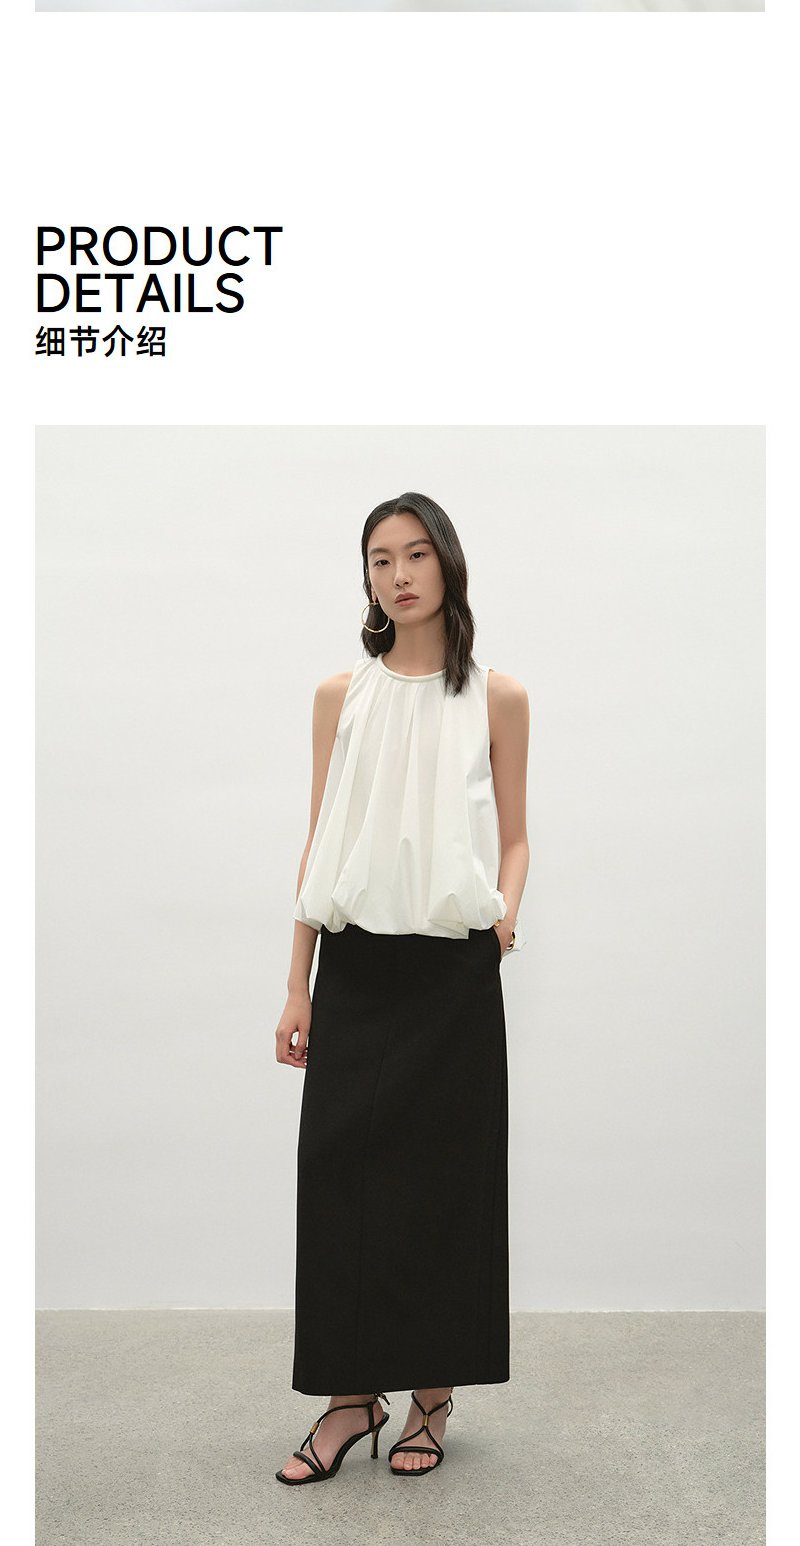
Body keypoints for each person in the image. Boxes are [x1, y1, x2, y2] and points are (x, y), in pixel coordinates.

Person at [274, 492, 530, 1484]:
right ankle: (350, 1399)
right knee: (336, 1175)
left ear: (446, 564)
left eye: (415, 554)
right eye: (380, 559)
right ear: (368, 579)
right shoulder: (339, 696)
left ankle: (430, 1394)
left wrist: (503, 920)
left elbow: (516, 836)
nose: (398, 574)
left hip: (451, 973)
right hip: (355, 965)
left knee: (444, 1184)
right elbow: (320, 839)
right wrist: (297, 983)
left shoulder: (497, 697)